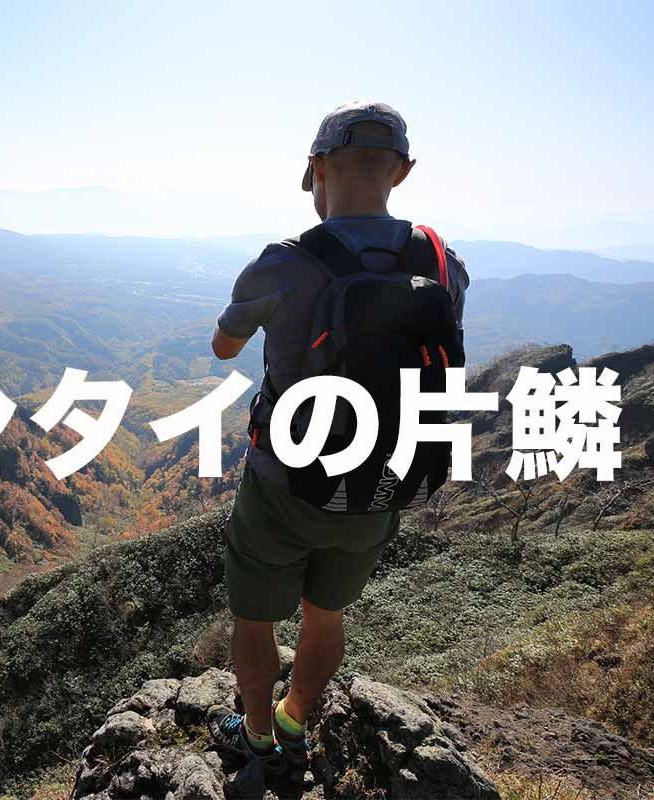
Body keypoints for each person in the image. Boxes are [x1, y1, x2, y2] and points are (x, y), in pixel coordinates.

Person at [204, 101, 469, 775]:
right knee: (325, 617)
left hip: (284, 483)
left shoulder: (287, 262)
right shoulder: (443, 264)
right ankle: (297, 719)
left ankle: (259, 738)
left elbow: (224, 347)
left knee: (255, 621)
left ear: (318, 168)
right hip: (384, 484)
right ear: (401, 172)